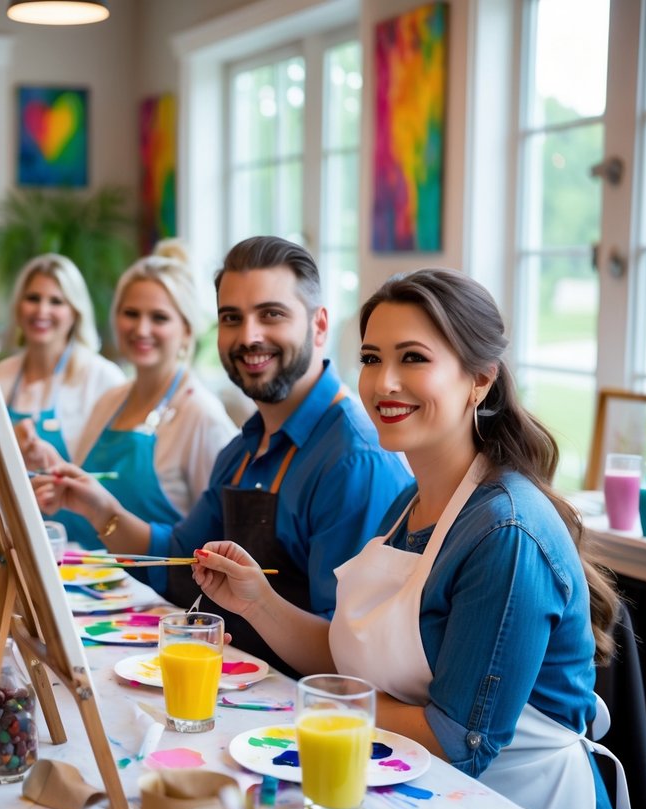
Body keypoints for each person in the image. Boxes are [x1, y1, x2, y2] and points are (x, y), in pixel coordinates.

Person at [192, 268, 627, 809]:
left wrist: (315, 708)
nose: (384, 383)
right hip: (416, 792)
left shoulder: (505, 533)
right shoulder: (411, 502)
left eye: (413, 358)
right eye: (371, 358)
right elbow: (354, 660)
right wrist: (257, 601)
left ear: (480, 380)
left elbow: (456, 741)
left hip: (517, 808)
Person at [34, 236, 411, 677]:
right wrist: (102, 511)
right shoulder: (245, 446)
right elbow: (177, 560)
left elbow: (347, 655)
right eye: (232, 318)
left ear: (319, 326)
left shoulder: (354, 462)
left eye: (271, 314)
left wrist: (258, 604)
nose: (249, 336)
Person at [29, 241, 236, 591]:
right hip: (85, 591)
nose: (141, 329)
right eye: (131, 314)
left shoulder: (202, 416)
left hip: (159, 605)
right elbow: (86, 496)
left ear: (187, 330)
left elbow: (224, 536)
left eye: (159, 318)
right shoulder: (110, 401)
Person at [0, 253, 125, 464]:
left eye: (56, 301)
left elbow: (111, 467)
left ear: (75, 312)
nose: (42, 310)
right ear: (18, 307)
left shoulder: (103, 378)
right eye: (33, 298)